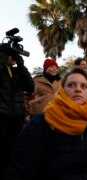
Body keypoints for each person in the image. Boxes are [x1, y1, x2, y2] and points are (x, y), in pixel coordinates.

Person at [5, 67, 87, 180]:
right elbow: (20, 171)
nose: (78, 89)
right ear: (62, 90)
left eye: (83, 86)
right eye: (71, 85)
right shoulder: (40, 123)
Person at [0, 49, 34, 179]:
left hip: (17, 116)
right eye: (10, 54)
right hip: (2, 115)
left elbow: (30, 86)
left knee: (14, 149)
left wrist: (21, 64)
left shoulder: (17, 71)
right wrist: (2, 56)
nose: (13, 56)